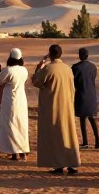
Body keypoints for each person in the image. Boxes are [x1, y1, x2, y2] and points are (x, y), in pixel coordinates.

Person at [31, 44, 81, 175]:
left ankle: (58, 165)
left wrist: (38, 68)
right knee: (68, 134)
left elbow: (36, 81)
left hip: (53, 108)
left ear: (50, 54)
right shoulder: (67, 69)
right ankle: (71, 163)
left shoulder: (48, 68)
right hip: (67, 107)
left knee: (55, 136)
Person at [0, 49, 30, 161]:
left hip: (10, 101)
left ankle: (14, 152)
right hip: (21, 100)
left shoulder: (8, 70)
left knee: (11, 125)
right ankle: (23, 151)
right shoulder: (24, 70)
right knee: (21, 125)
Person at [71, 48, 99, 150]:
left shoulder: (75, 67)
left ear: (79, 55)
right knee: (91, 118)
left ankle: (85, 142)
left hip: (81, 94)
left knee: (83, 118)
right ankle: (97, 141)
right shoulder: (93, 66)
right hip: (92, 94)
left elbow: (73, 81)